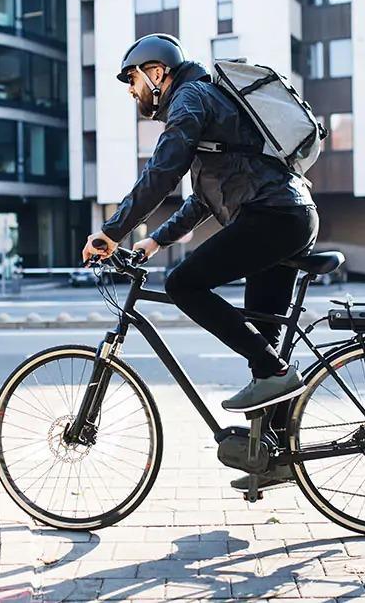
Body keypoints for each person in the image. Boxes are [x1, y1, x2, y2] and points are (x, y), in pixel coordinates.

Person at [80, 34, 319, 490]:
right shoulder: (207, 101)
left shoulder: (189, 99)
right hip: (287, 215)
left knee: (183, 284)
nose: (132, 91)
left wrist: (110, 231)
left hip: (273, 217)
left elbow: (162, 171)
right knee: (262, 343)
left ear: (156, 72)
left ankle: (275, 374)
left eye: (132, 79)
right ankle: (276, 459)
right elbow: (202, 199)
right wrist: (152, 242)